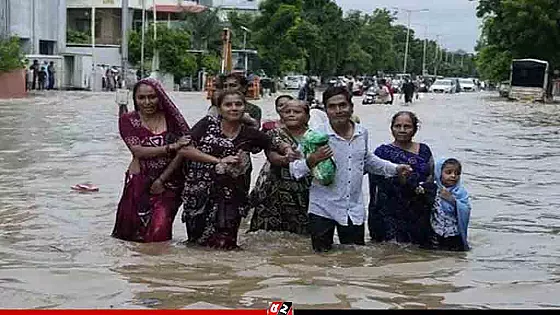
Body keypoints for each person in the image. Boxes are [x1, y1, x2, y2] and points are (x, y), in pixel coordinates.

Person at [290, 86, 413, 253]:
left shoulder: (362, 133)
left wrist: (395, 169)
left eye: (342, 105)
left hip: (352, 209)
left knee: (353, 259)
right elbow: (295, 170)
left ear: (351, 107)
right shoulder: (313, 136)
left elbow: (367, 160)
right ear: (326, 110)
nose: (338, 110)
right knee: (319, 261)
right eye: (332, 107)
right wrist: (312, 160)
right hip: (322, 208)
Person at [181, 90, 294, 250]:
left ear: (244, 108)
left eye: (238, 104)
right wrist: (218, 160)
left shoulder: (250, 133)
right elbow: (185, 149)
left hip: (232, 197)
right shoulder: (206, 124)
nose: (233, 108)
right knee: (196, 245)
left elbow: (272, 142)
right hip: (200, 195)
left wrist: (286, 151)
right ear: (219, 108)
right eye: (228, 105)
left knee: (227, 246)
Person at [112, 78, 192, 243]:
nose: (147, 102)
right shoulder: (128, 120)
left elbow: (185, 150)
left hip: (170, 182)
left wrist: (162, 179)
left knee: (159, 230)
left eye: (152, 97)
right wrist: (171, 147)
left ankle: (159, 266)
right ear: (135, 99)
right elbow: (138, 151)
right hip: (139, 181)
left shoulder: (172, 120)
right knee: (130, 235)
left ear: (160, 97)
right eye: (141, 98)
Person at [368, 111, 436, 246]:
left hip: (418, 210)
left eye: (407, 126)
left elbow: (431, 177)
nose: (402, 130)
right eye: (398, 126)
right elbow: (376, 186)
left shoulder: (424, 150)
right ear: (391, 128)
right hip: (389, 212)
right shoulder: (382, 153)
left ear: (415, 129)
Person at [249, 100, 311, 234]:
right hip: (275, 192)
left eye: (297, 112)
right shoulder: (274, 133)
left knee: (303, 236)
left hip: (304, 193)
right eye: (287, 112)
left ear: (307, 116)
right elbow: (272, 157)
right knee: (267, 236)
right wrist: (286, 159)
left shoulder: (315, 136)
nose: (291, 115)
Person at [428, 158, 472, 251]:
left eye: (457, 173)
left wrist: (453, 201)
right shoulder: (432, 189)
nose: (453, 176)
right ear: (439, 173)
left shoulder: (460, 192)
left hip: (453, 234)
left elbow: (466, 209)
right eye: (448, 172)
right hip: (435, 233)